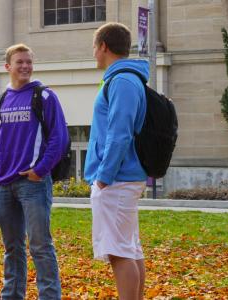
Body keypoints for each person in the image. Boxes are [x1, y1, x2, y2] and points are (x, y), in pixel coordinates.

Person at [0, 44, 69, 299]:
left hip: (33, 185)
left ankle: (49, 296)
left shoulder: (44, 96)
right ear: (8, 67)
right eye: (20, 62)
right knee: (12, 248)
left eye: (28, 61)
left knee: (40, 246)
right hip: (4, 186)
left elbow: (59, 139)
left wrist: (40, 170)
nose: (25, 66)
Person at [87, 22, 151, 300]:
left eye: (94, 48)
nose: (94, 54)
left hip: (117, 179)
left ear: (103, 46)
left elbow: (119, 134)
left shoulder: (123, 81)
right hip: (123, 178)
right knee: (129, 248)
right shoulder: (125, 78)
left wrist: (104, 176)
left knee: (119, 251)